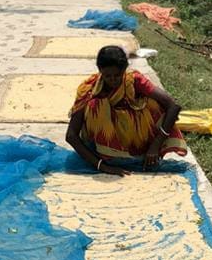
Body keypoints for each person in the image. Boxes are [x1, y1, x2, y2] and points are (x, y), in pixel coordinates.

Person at [66, 44, 187, 175]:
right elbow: (71, 135)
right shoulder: (89, 89)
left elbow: (173, 106)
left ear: (124, 70)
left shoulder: (133, 81)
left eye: (117, 75)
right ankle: (113, 157)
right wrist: (102, 166)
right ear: (100, 70)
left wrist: (156, 145)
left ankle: (139, 154)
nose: (112, 80)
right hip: (104, 151)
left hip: (138, 142)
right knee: (94, 106)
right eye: (107, 76)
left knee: (153, 103)